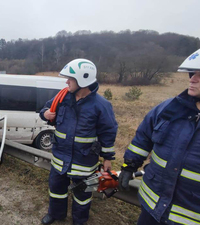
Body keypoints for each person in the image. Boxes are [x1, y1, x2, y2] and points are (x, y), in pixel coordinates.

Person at [118, 45, 200, 225]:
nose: (192, 79)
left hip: (193, 217)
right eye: (192, 73)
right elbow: (142, 139)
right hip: (152, 206)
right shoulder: (169, 108)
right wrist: (129, 166)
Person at [39, 59, 118, 225]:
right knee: (56, 189)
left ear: (83, 80)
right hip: (60, 158)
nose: (66, 81)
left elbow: (108, 132)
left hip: (84, 161)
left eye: (70, 79)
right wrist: (45, 113)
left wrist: (108, 158)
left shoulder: (101, 105)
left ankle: (79, 221)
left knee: (82, 196)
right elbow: (45, 108)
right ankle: (56, 214)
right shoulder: (62, 98)